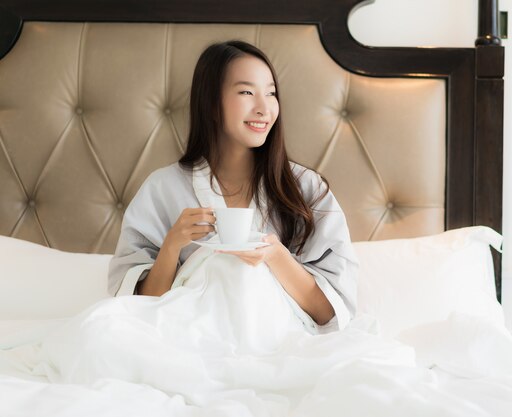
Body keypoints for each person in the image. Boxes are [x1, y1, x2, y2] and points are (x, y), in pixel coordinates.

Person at [108, 40, 358, 333]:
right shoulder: (162, 189)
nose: (264, 108)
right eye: (247, 92)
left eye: (271, 93)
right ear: (212, 104)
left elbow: (329, 311)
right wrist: (172, 245)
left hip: (279, 344)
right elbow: (139, 310)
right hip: (186, 340)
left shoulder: (307, 189)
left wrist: (275, 255)